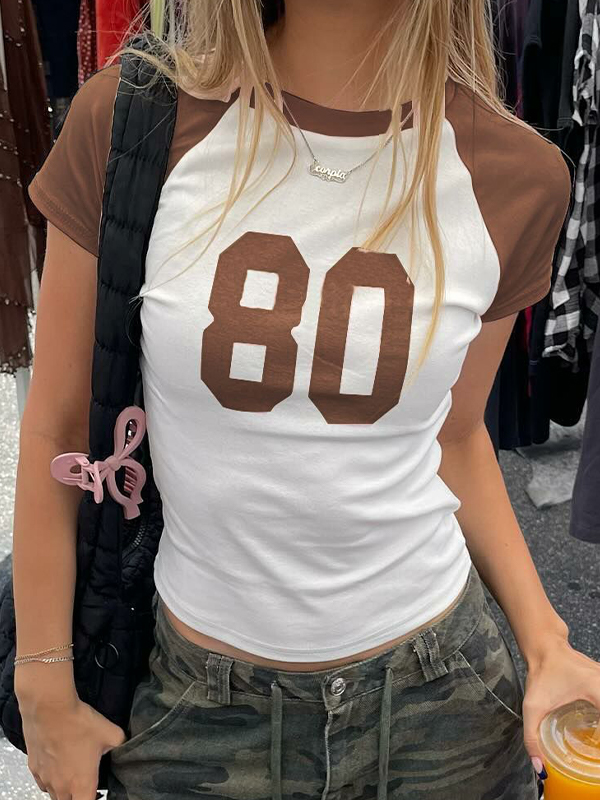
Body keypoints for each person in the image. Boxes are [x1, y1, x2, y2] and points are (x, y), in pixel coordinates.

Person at [12, 1, 600, 799]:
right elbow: (57, 427)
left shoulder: (516, 173)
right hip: (198, 710)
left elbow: (456, 437)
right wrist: (43, 683)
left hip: (444, 703)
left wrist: (544, 639)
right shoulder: (131, 122)